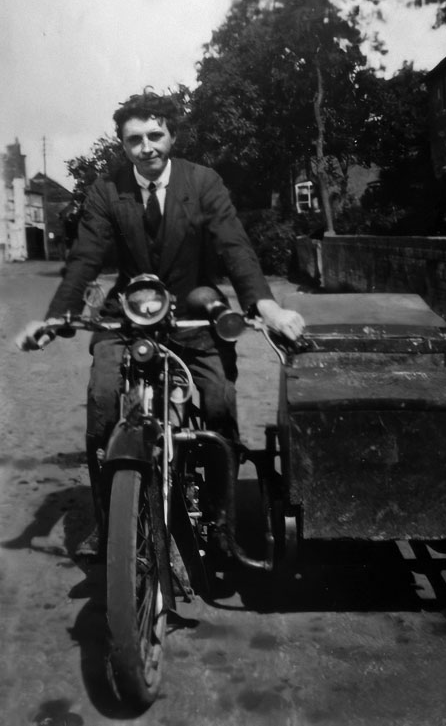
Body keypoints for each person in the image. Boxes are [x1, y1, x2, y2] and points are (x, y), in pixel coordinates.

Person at [16, 90, 305, 557]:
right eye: (135, 140)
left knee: (218, 400)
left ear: (172, 135)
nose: (147, 147)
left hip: (194, 311)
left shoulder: (203, 182)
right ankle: (111, 525)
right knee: (103, 401)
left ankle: (221, 518)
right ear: (123, 146)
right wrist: (54, 318)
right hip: (129, 318)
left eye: (155, 135)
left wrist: (267, 308)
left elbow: (235, 247)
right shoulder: (108, 191)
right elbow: (85, 258)